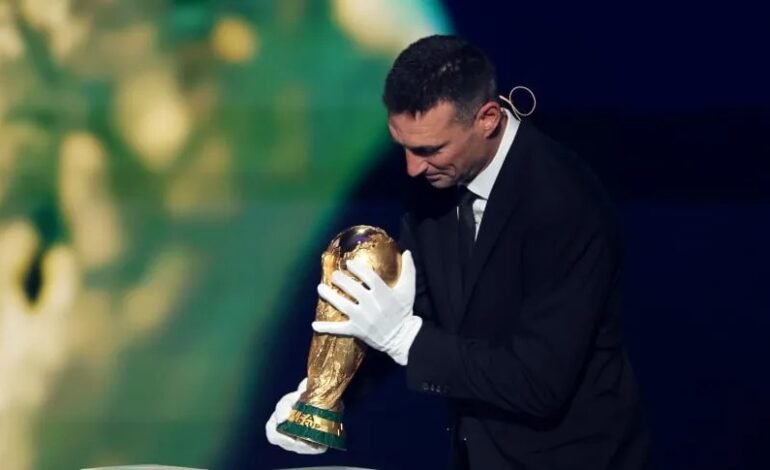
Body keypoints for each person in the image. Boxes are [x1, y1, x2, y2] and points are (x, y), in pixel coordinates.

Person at [266, 34, 650, 469]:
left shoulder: (564, 205)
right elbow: (406, 312)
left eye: (429, 149)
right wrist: (323, 397)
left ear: (487, 119)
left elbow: (538, 382)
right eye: (403, 146)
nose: (413, 167)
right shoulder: (435, 181)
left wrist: (405, 339)